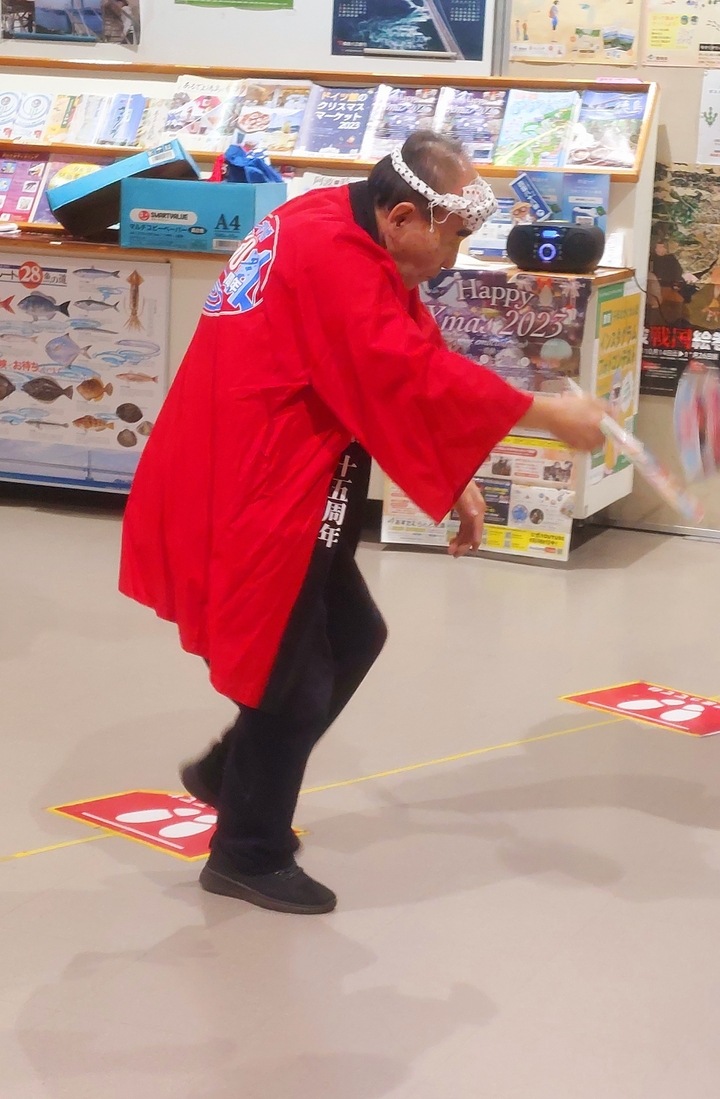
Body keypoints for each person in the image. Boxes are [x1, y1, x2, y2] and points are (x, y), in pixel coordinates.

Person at [119, 131, 605, 915]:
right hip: (258, 475)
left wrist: (457, 474)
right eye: (453, 236)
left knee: (351, 636)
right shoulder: (331, 256)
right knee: (294, 669)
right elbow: (404, 369)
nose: (452, 257)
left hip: (266, 459)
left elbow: (401, 343)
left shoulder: (330, 219)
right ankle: (247, 853)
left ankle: (229, 773)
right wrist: (544, 413)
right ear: (404, 215)